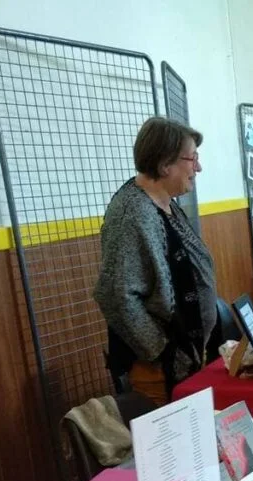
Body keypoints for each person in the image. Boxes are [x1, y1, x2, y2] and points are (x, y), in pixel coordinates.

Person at [94, 117, 217, 406]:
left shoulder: (165, 204)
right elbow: (115, 295)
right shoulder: (133, 213)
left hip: (184, 360)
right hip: (158, 371)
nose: (197, 168)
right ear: (165, 165)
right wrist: (162, 351)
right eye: (192, 159)